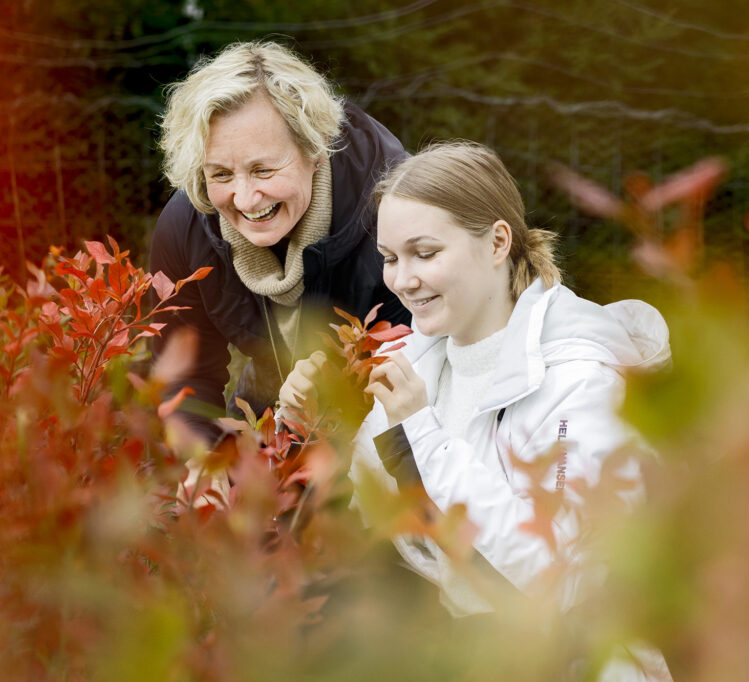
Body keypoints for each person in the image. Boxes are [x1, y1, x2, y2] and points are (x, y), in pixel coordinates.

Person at [280, 142, 673, 678]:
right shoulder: (422, 357)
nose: (402, 280)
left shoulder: (581, 382)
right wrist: (312, 426)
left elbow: (547, 576)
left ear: (496, 242)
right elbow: (378, 519)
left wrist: (420, 432)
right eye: (391, 258)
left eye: (426, 252)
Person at [150, 41, 410, 442]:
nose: (245, 198)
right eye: (220, 174)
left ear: (315, 148)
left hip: (388, 409)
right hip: (273, 395)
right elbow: (185, 380)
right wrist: (207, 471)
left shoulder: (395, 210)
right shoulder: (186, 224)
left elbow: (426, 374)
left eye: (264, 169)